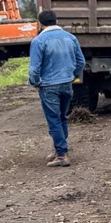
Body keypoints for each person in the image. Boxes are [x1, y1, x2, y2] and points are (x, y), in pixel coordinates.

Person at [29, 10, 85, 168]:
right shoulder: (70, 37)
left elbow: (34, 69)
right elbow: (80, 61)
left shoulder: (38, 41)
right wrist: (72, 75)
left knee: (53, 119)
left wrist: (35, 82)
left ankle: (61, 154)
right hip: (67, 84)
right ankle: (59, 148)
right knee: (62, 117)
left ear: (40, 23)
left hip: (49, 86)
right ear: (56, 20)